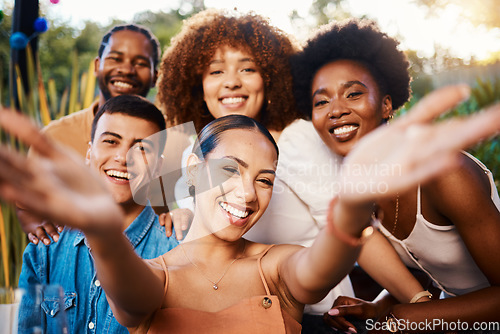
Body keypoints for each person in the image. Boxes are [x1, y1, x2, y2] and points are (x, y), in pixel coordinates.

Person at [1, 86, 499, 333]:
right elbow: (129, 296)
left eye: (265, 179)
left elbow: (320, 267)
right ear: (192, 169)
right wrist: (102, 229)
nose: (248, 192)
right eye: (230, 170)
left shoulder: (276, 264)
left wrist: (351, 199)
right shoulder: (154, 272)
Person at [291, 18, 500, 332]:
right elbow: (430, 263)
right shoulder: (357, 188)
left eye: (352, 94)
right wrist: (381, 305)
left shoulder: (446, 174)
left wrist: (412, 318)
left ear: (387, 105)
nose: (335, 110)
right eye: (321, 101)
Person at [155, 9, 360, 322]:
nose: (232, 82)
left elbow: (348, 224)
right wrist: (174, 211)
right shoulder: (190, 149)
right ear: (197, 85)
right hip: (237, 315)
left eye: (247, 69)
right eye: (216, 72)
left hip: (319, 313)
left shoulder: (298, 138)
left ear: (270, 78)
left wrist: (412, 299)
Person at [16, 95, 179, 333]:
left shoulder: (177, 250)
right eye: (111, 141)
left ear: (158, 168)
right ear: (89, 153)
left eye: (142, 148)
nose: (123, 158)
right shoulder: (46, 247)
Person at [19, 23, 162, 245]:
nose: (126, 69)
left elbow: (173, 208)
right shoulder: (55, 136)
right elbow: (25, 206)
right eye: (115, 58)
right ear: (97, 65)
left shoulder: (167, 140)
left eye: (141, 63)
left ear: (155, 76)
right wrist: (38, 228)